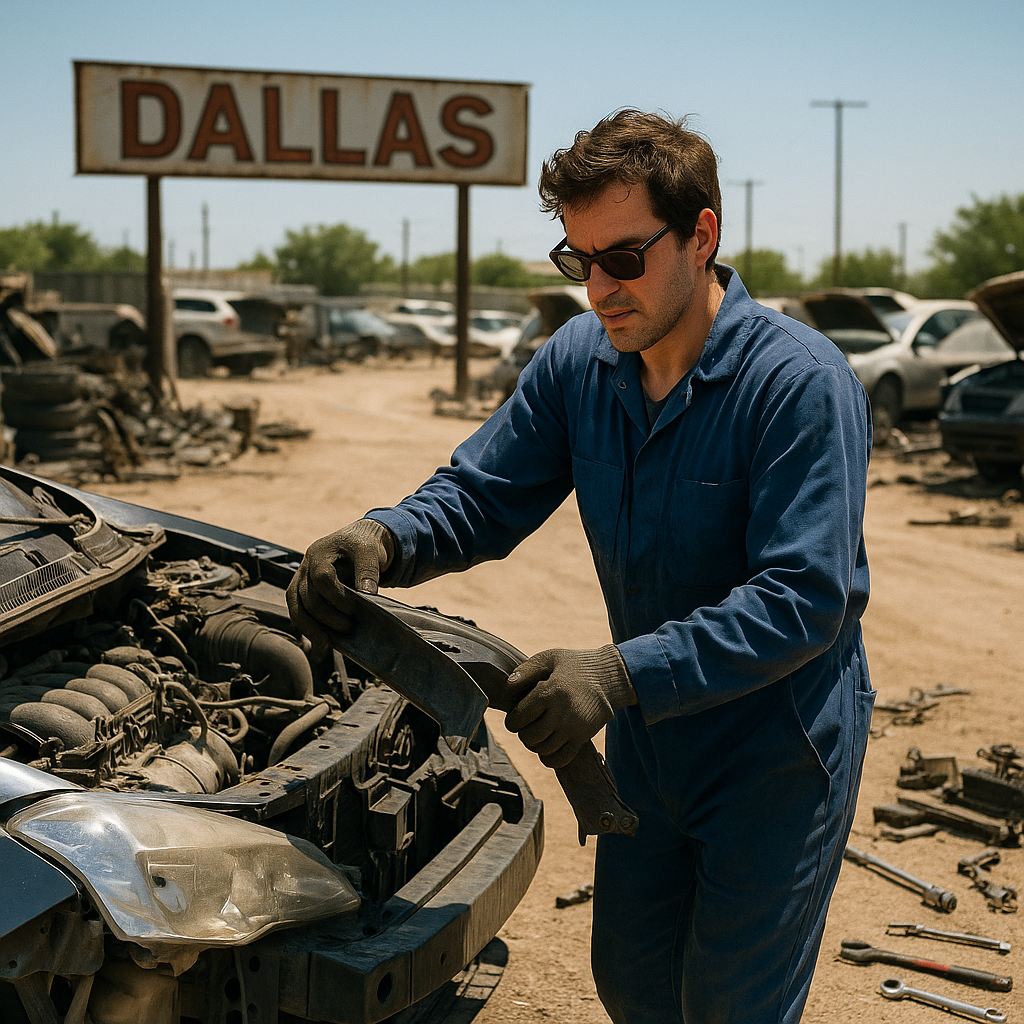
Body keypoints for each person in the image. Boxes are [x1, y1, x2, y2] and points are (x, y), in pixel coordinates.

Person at [287, 109, 874, 1024]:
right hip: (652, 734)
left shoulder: (799, 382)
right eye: (578, 260)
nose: (598, 288)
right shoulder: (579, 364)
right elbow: (484, 494)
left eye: (624, 259)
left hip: (777, 748)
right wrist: (383, 538)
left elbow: (805, 597)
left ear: (703, 236)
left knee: (731, 1006)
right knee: (633, 982)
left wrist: (617, 669)